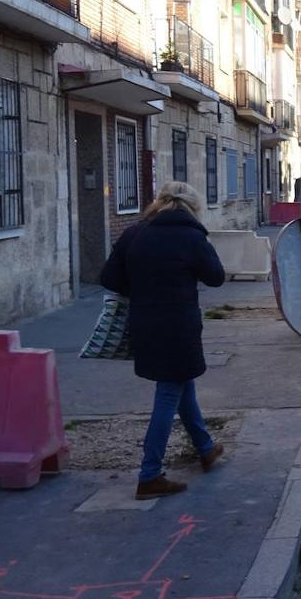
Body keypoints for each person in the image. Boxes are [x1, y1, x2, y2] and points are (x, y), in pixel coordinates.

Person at [100, 181, 227, 500]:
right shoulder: (191, 236)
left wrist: (143, 289)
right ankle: (149, 474)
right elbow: (216, 277)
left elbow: (109, 278)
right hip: (179, 325)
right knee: (170, 391)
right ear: (191, 207)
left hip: (144, 323)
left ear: (159, 202)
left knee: (182, 385)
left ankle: (205, 448)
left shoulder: (134, 233)